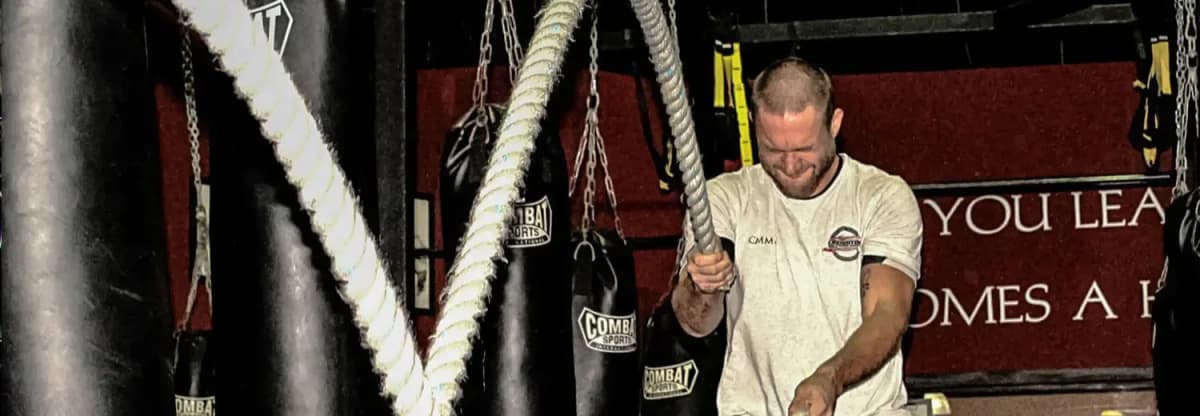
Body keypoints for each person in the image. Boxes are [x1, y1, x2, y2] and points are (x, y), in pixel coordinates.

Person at [671, 57, 923, 416]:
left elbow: (887, 313)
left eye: (804, 149)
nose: (790, 166)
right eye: (774, 150)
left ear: (834, 124)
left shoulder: (880, 195)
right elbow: (695, 323)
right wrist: (701, 286)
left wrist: (829, 378)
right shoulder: (724, 199)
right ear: (755, 127)